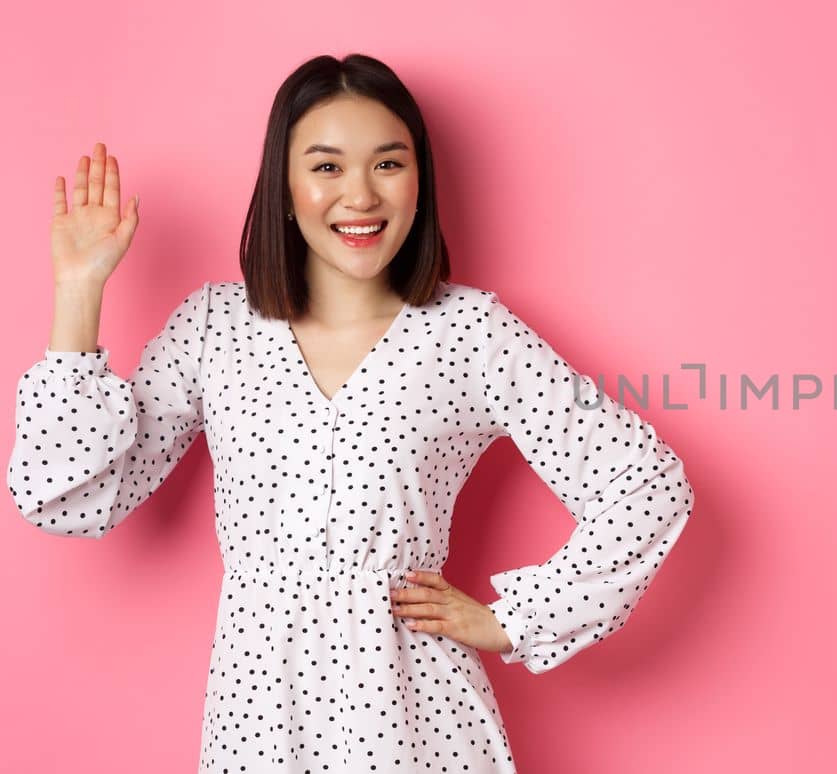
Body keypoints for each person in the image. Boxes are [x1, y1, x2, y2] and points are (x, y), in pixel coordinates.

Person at [7, 53, 694, 773]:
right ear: (284, 184)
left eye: (388, 165)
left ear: (419, 182)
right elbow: (70, 499)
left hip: (419, 726)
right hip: (258, 725)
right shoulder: (215, 329)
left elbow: (644, 484)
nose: (360, 196)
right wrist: (79, 292)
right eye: (327, 167)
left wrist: (515, 620)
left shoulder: (470, 334)